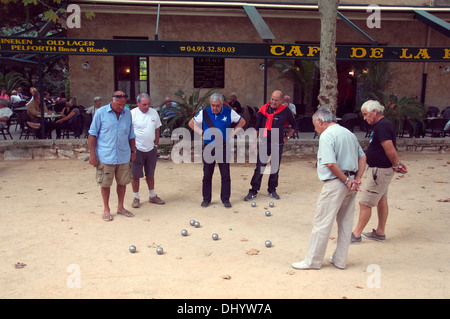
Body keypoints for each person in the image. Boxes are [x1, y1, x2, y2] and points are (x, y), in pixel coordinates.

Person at [291, 107, 366, 270]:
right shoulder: (349, 133)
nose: (315, 129)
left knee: (322, 223)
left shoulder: (326, 135)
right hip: (350, 182)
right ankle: (340, 260)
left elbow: (330, 163)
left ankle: (313, 261)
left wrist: (347, 180)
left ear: (320, 121)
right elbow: (363, 156)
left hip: (337, 183)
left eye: (314, 125)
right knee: (346, 223)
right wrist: (357, 178)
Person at [351, 100, 407, 243]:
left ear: (374, 112)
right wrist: (395, 164)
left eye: (366, 115)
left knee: (365, 203)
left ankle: (356, 234)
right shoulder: (382, 125)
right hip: (381, 169)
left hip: (379, 171)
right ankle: (380, 232)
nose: (364, 118)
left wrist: (395, 165)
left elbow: (390, 149)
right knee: (382, 199)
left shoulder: (382, 126)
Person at [189, 93, 245, 208]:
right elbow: (191, 123)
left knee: (225, 175)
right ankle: (206, 199)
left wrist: (232, 132)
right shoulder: (204, 113)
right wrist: (202, 133)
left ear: (222, 104)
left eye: (217, 106)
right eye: (212, 105)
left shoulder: (229, 112)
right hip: (208, 148)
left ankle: (225, 199)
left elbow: (242, 122)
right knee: (207, 175)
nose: (214, 108)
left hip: (223, 147)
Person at [88, 91, 136, 222]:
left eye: (124, 105)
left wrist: (133, 151)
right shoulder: (100, 113)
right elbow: (92, 134)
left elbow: (131, 134)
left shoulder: (127, 114)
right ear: (112, 101)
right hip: (105, 156)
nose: (122, 107)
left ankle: (120, 207)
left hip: (123, 155)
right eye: (119, 105)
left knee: (123, 182)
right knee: (105, 184)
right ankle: (106, 209)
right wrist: (92, 155)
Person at [244, 90, 296, 201]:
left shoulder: (285, 111)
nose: (273, 102)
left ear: (281, 100)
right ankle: (253, 191)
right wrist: (254, 143)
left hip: (278, 142)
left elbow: (294, 125)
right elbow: (257, 128)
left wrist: (287, 137)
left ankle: (272, 190)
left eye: (276, 100)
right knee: (259, 168)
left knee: (275, 168)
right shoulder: (264, 110)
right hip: (264, 142)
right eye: (272, 99)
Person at [130, 93, 165, 208]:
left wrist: (156, 145)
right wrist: (132, 148)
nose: (147, 106)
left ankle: (152, 196)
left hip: (151, 149)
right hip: (137, 149)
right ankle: (136, 197)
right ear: (138, 103)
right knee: (135, 175)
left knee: (150, 173)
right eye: (144, 104)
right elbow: (128, 132)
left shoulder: (154, 112)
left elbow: (157, 130)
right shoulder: (132, 114)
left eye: (148, 104)